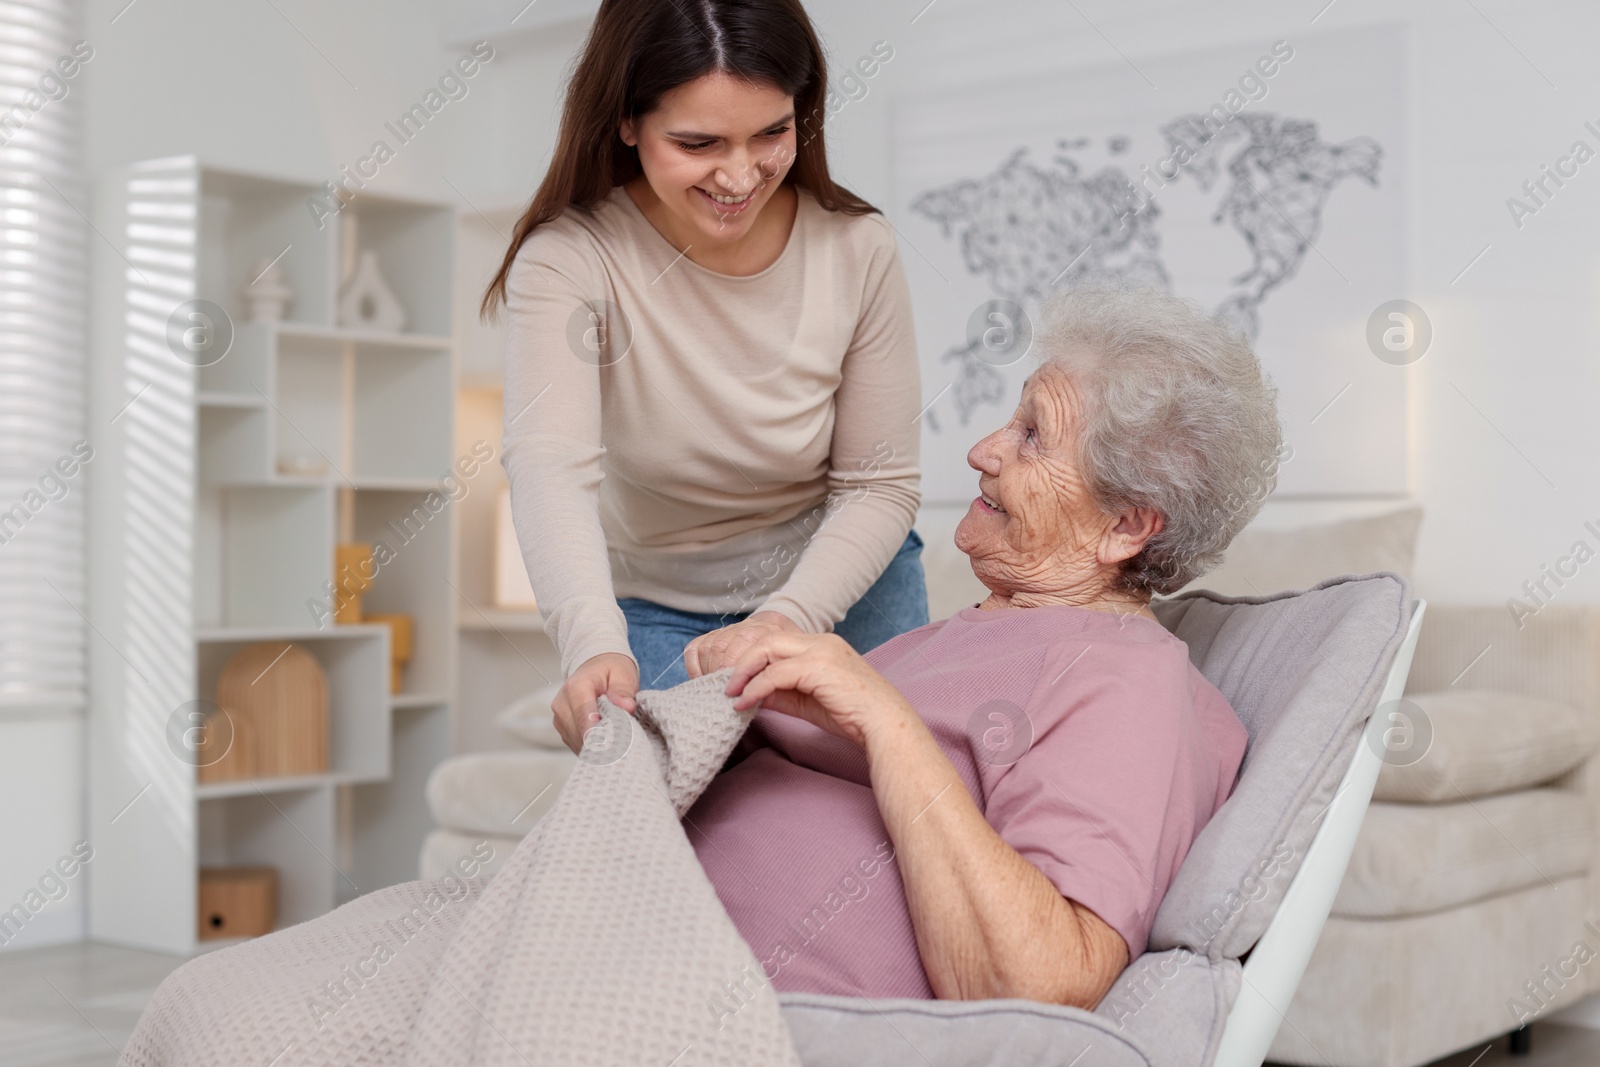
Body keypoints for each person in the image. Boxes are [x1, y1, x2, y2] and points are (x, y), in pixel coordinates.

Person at [681, 282, 1283, 1007]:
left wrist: (882, 718)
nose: (981, 450)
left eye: (1031, 436)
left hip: (739, 1019)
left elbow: (1042, 982)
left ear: (1125, 526)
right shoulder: (986, 627)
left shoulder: (1126, 677)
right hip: (641, 944)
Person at [481, 0, 927, 732]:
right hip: (657, 606)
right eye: (698, 142)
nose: (741, 175)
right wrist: (591, 642)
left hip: (842, 583)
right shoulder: (570, 259)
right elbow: (549, 467)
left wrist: (786, 621)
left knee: (883, 804)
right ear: (627, 122)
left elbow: (879, 483)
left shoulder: (858, 248)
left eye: (772, 133)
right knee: (691, 821)